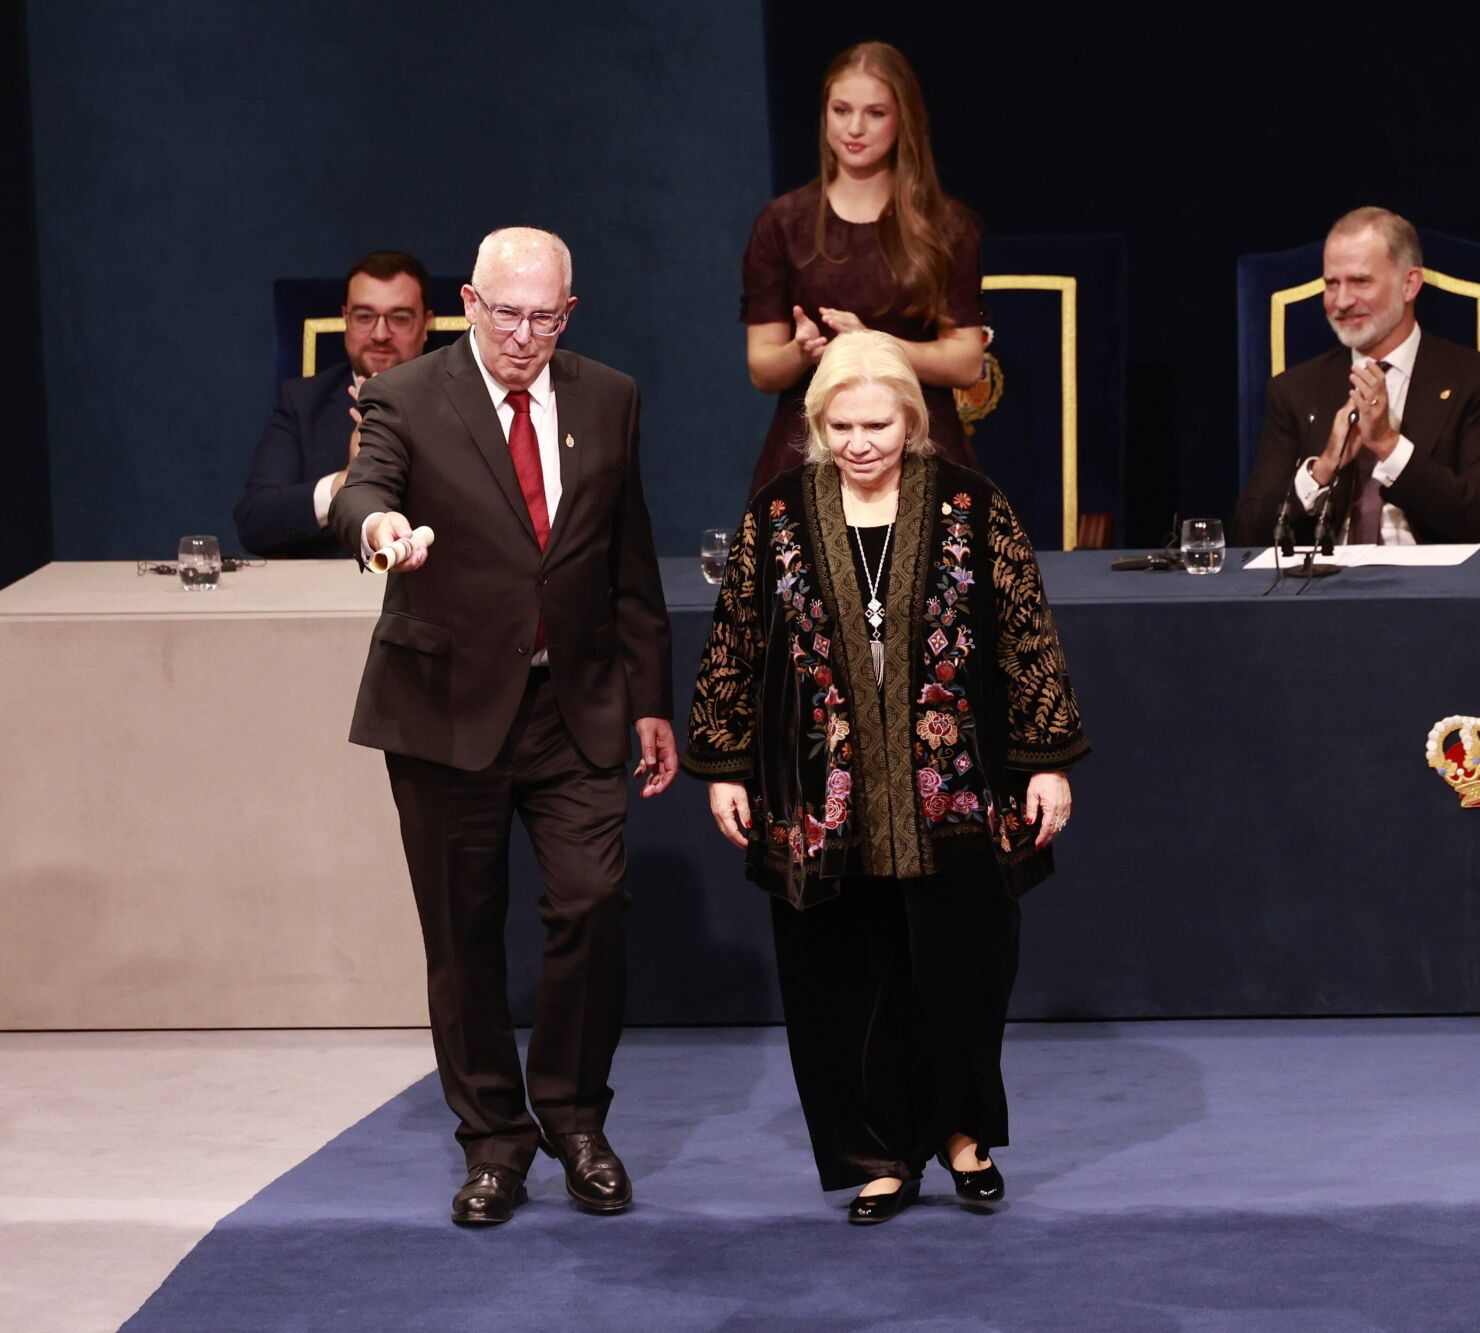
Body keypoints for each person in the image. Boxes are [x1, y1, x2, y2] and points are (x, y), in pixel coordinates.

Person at [687, 331, 1087, 1225]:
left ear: (912, 419)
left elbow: (1026, 636)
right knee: (841, 974)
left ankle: (963, 1135)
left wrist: (1047, 761)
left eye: (877, 424)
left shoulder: (972, 506)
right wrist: (723, 764)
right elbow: (736, 641)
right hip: (821, 791)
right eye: (841, 426)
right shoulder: (777, 513)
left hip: (959, 783)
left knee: (966, 963)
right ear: (816, 425)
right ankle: (878, 1155)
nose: (860, 442)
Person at [329, 228, 677, 1227]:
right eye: (507, 313)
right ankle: (492, 1140)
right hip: (443, 706)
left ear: (569, 313)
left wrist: (650, 698)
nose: (524, 336)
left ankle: (574, 1119)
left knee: (591, 903)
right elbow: (365, 490)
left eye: (545, 317)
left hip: (575, 703)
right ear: (471, 304)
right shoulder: (406, 395)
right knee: (461, 933)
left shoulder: (609, 397)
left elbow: (627, 554)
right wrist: (378, 530)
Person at [740, 40, 986, 496]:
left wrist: (873, 344)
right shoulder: (782, 223)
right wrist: (802, 351)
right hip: (812, 451)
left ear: (903, 119)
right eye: (841, 110)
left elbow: (967, 361)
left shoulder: (945, 225)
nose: (854, 128)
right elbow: (762, 368)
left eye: (875, 113)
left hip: (920, 447)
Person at [1232, 207, 1480, 547]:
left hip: (1434, 577)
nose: (1341, 301)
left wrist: (1387, 444)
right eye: (1331, 284)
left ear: (1409, 285)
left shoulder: (1478, 381)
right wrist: (1322, 469)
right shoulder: (1295, 390)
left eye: (1360, 281)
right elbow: (1248, 536)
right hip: (1328, 578)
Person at [235, 250, 433, 557]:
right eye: (365, 316)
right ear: (346, 319)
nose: (380, 333)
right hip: (326, 584)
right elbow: (254, 522)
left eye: (399, 318)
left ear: (426, 324)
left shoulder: (459, 400)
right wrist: (345, 483)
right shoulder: (303, 401)